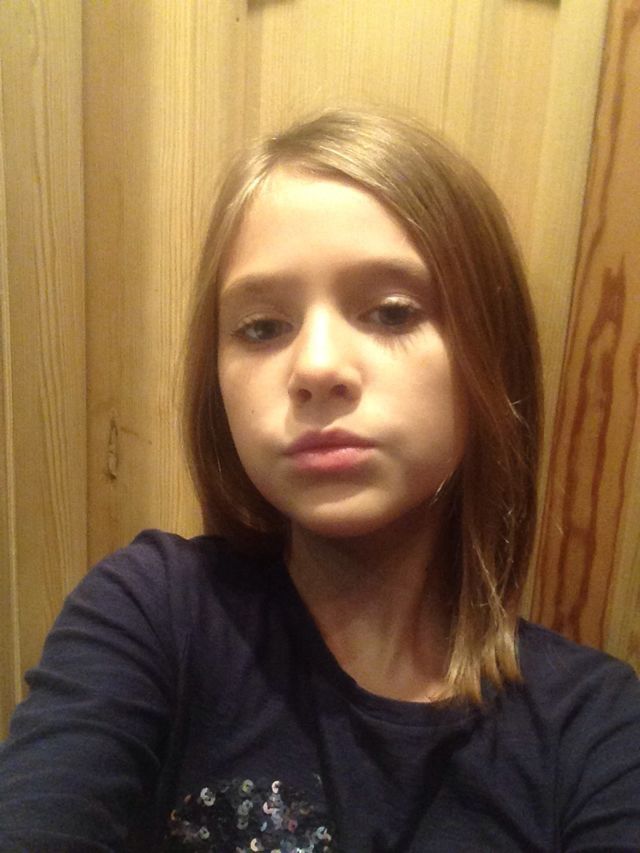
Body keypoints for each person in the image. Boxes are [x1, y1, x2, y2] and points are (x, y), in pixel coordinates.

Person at [0, 109, 638, 852]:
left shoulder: (596, 726)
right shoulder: (153, 612)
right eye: (262, 327)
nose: (316, 367)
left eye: (392, 312)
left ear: (491, 358)